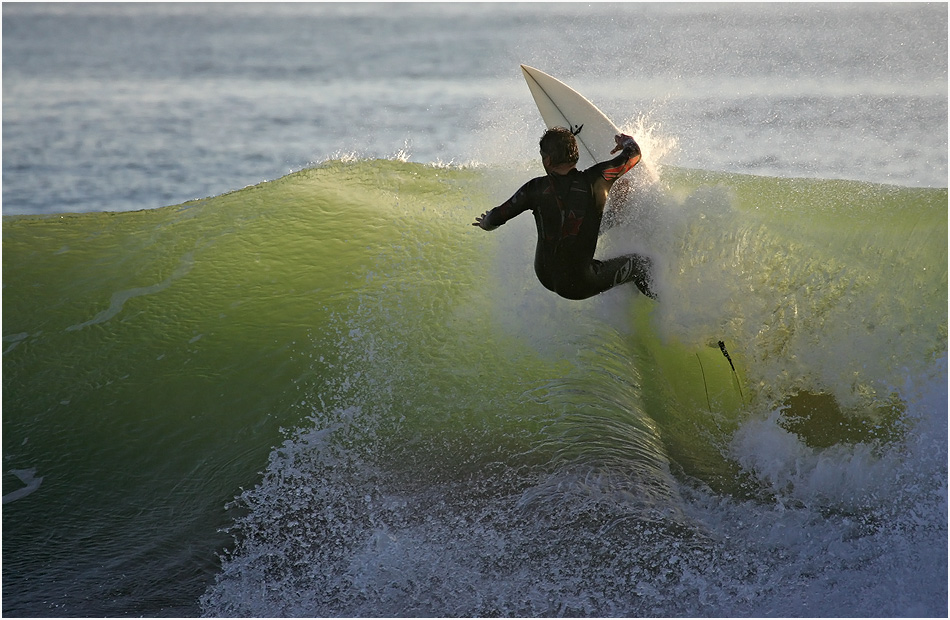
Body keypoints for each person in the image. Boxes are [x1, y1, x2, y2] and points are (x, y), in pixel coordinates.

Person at [473, 127, 656, 301]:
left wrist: (485, 223)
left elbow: (494, 218)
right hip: (581, 283)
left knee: (574, 224)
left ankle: (614, 216)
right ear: (575, 155)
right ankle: (666, 303)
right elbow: (634, 153)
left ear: (548, 161)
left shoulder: (534, 188)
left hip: (545, 275)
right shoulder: (598, 178)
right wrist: (625, 140)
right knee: (642, 264)